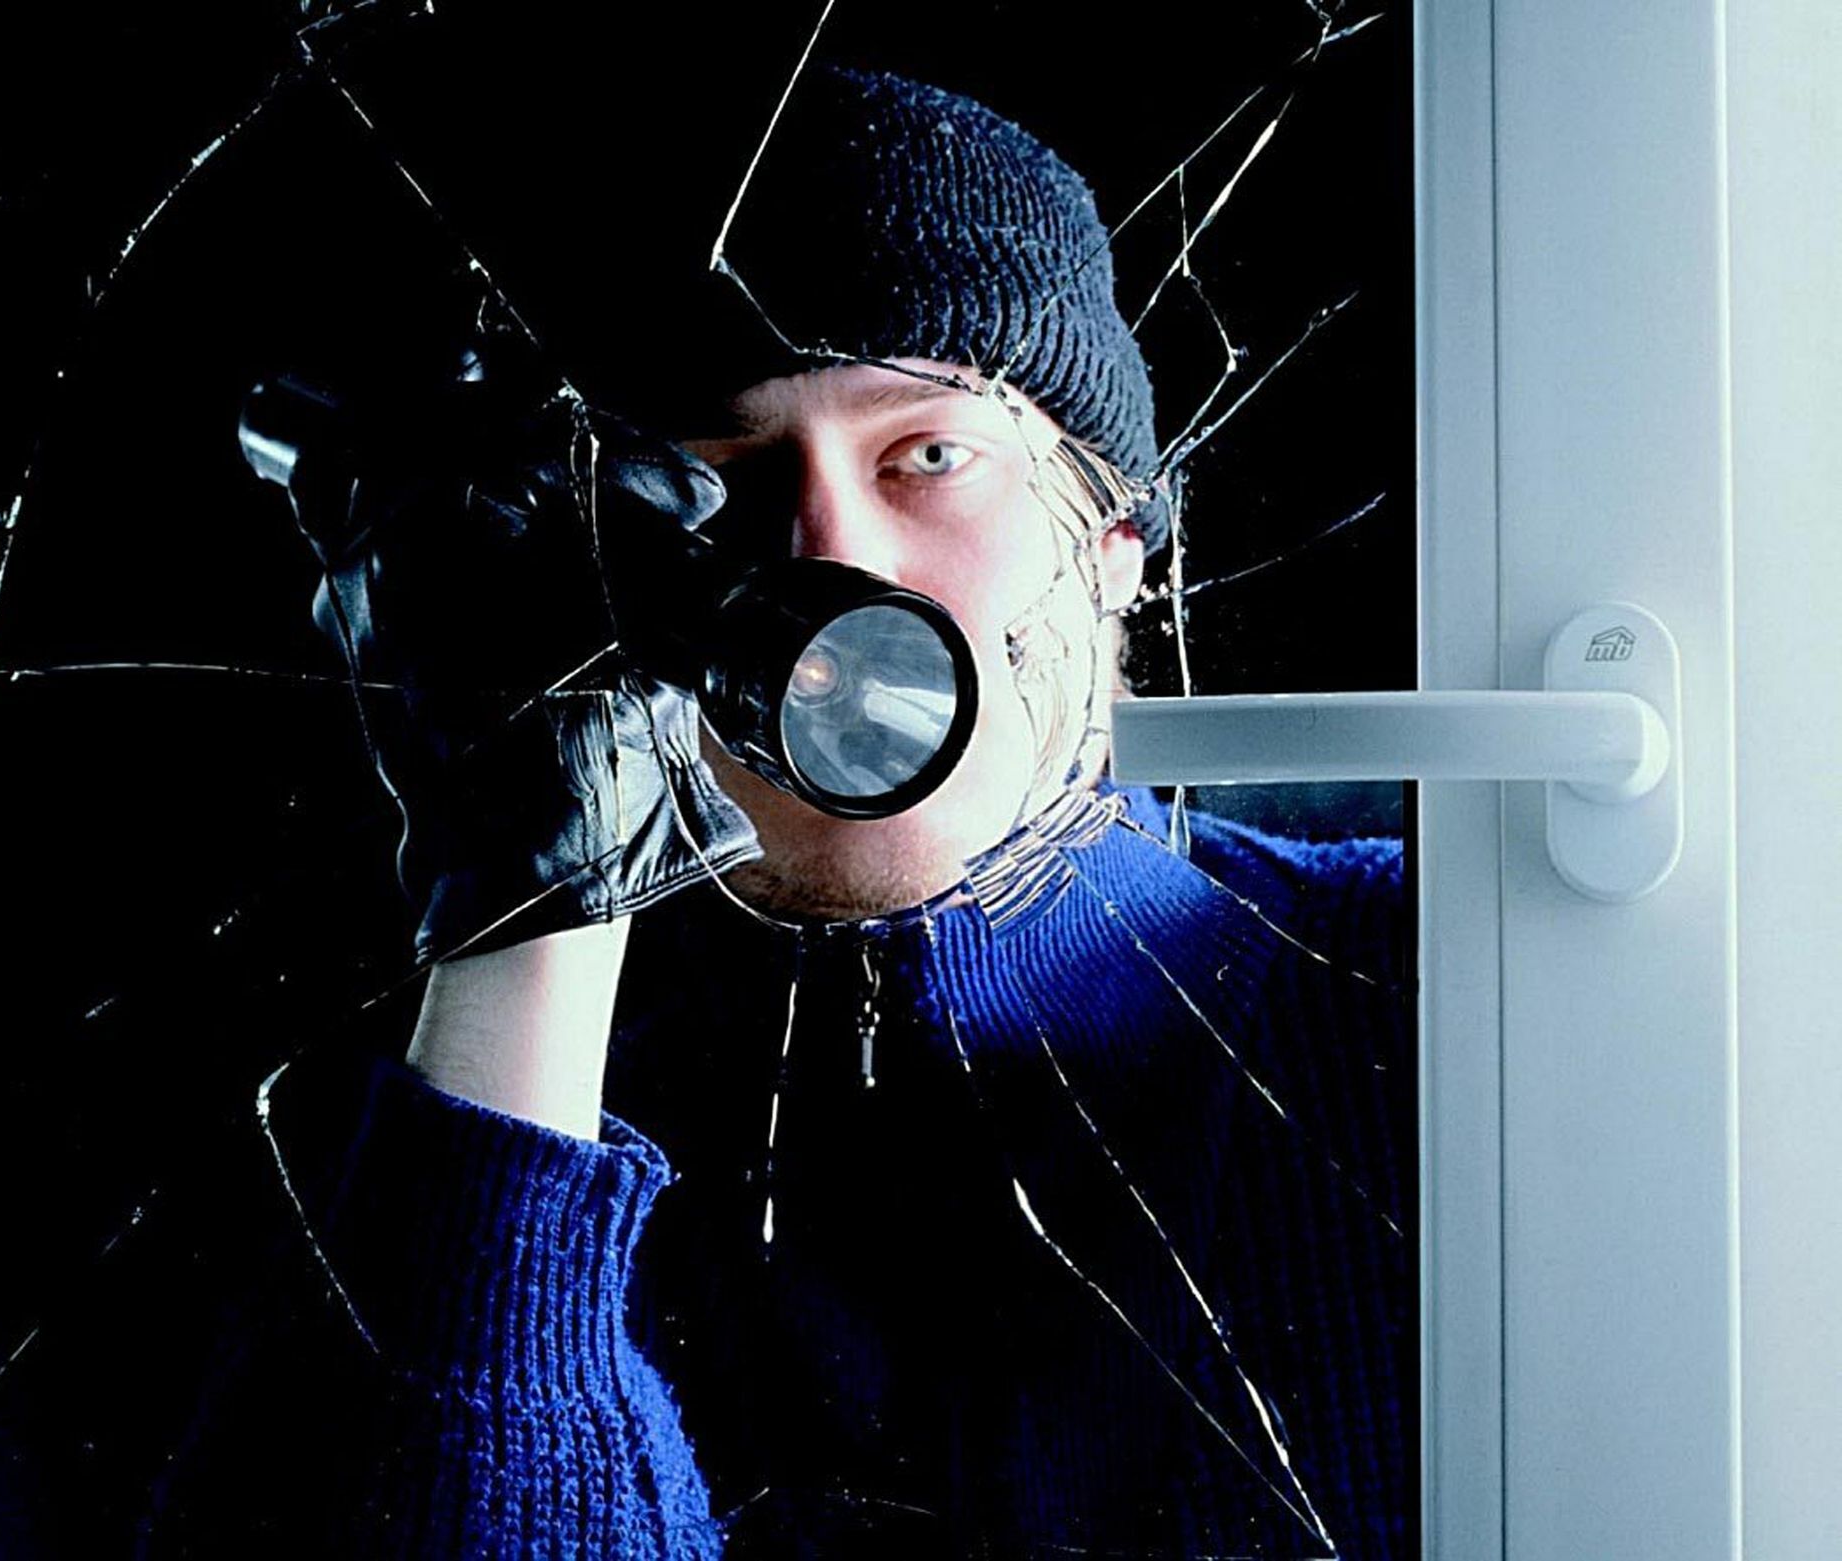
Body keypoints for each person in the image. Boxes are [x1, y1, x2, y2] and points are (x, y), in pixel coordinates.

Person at [147, 65, 1411, 1559]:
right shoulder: (431, 1139)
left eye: (928, 456)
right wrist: (528, 930)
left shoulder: (1435, 988)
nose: (829, 565)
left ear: (1118, 539)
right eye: (717, 482)